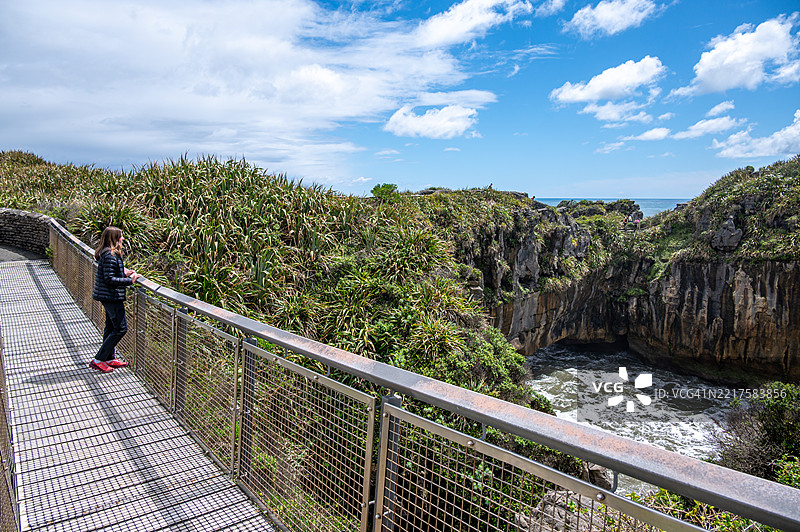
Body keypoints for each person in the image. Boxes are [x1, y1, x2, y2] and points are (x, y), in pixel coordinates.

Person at [90, 226, 140, 373]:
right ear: (114, 238)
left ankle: (108, 358)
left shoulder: (107, 254)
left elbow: (111, 272)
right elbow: (109, 279)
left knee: (111, 327)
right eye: (121, 236)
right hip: (111, 296)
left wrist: (124, 272)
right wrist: (130, 280)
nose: (123, 239)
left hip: (108, 295)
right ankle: (98, 360)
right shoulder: (110, 255)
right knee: (121, 328)